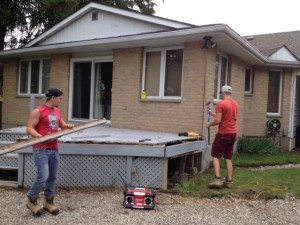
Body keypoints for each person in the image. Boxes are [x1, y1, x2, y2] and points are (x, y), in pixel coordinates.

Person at [26, 88, 74, 216]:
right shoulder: (38, 111)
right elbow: (29, 128)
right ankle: (31, 200)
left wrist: (67, 126)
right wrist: (41, 137)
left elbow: (61, 124)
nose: (61, 101)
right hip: (41, 148)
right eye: (60, 98)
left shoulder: (57, 111)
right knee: (43, 176)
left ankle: (49, 202)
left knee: (52, 176)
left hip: (54, 148)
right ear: (52, 98)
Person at [206, 85, 238, 189]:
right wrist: (212, 113)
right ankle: (229, 181)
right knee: (228, 158)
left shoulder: (221, 104)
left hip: (223, 134)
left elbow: (219, 121)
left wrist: (209, 124)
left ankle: (218, 180)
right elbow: (226, 117)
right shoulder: (235, 104)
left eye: (221, 93)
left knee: (215, 155)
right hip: (233, 134)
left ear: (223, 93)